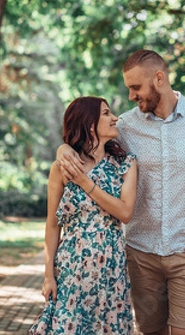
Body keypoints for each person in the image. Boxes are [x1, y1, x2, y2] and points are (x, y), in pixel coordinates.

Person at [57, 49, 185, 335]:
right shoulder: (126, 126)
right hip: (141, 256)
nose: (131, 96)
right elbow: (87, 135)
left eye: (135, 87)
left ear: (159, 78)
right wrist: (64, 148)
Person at [28, 96, 138, 335]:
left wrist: (85, 182)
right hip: (71, 267)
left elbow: (125, 213)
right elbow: (53, 223)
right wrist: (49, 276)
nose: (115, 118)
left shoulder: (125, 164)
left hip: (111, 266)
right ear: (90, 124)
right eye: (107, 113)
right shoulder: (62, 167)